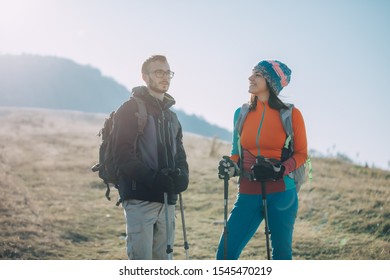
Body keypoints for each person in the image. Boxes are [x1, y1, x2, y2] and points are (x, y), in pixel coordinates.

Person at [216, 60, 308, 260]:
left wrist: (279, 170)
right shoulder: (241, 114)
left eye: (257, 74)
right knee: (224, 255)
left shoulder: (291, 114)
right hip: (248, 193)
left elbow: (301, 154)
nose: (250, 78)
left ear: (270, 81)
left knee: (281, 256)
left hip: (282, 194)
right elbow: (236, 152)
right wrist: (230, 166)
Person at [112, 55, 189, 260]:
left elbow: (179, 153)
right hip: (140, 200)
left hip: (168, 201)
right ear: (145, 77)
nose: (165, 77)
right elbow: (122, 155)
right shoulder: (130, 109)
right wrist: (155, 179)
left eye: (167, 72)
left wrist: (183, 177)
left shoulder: (171, 116)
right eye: (158, 72)